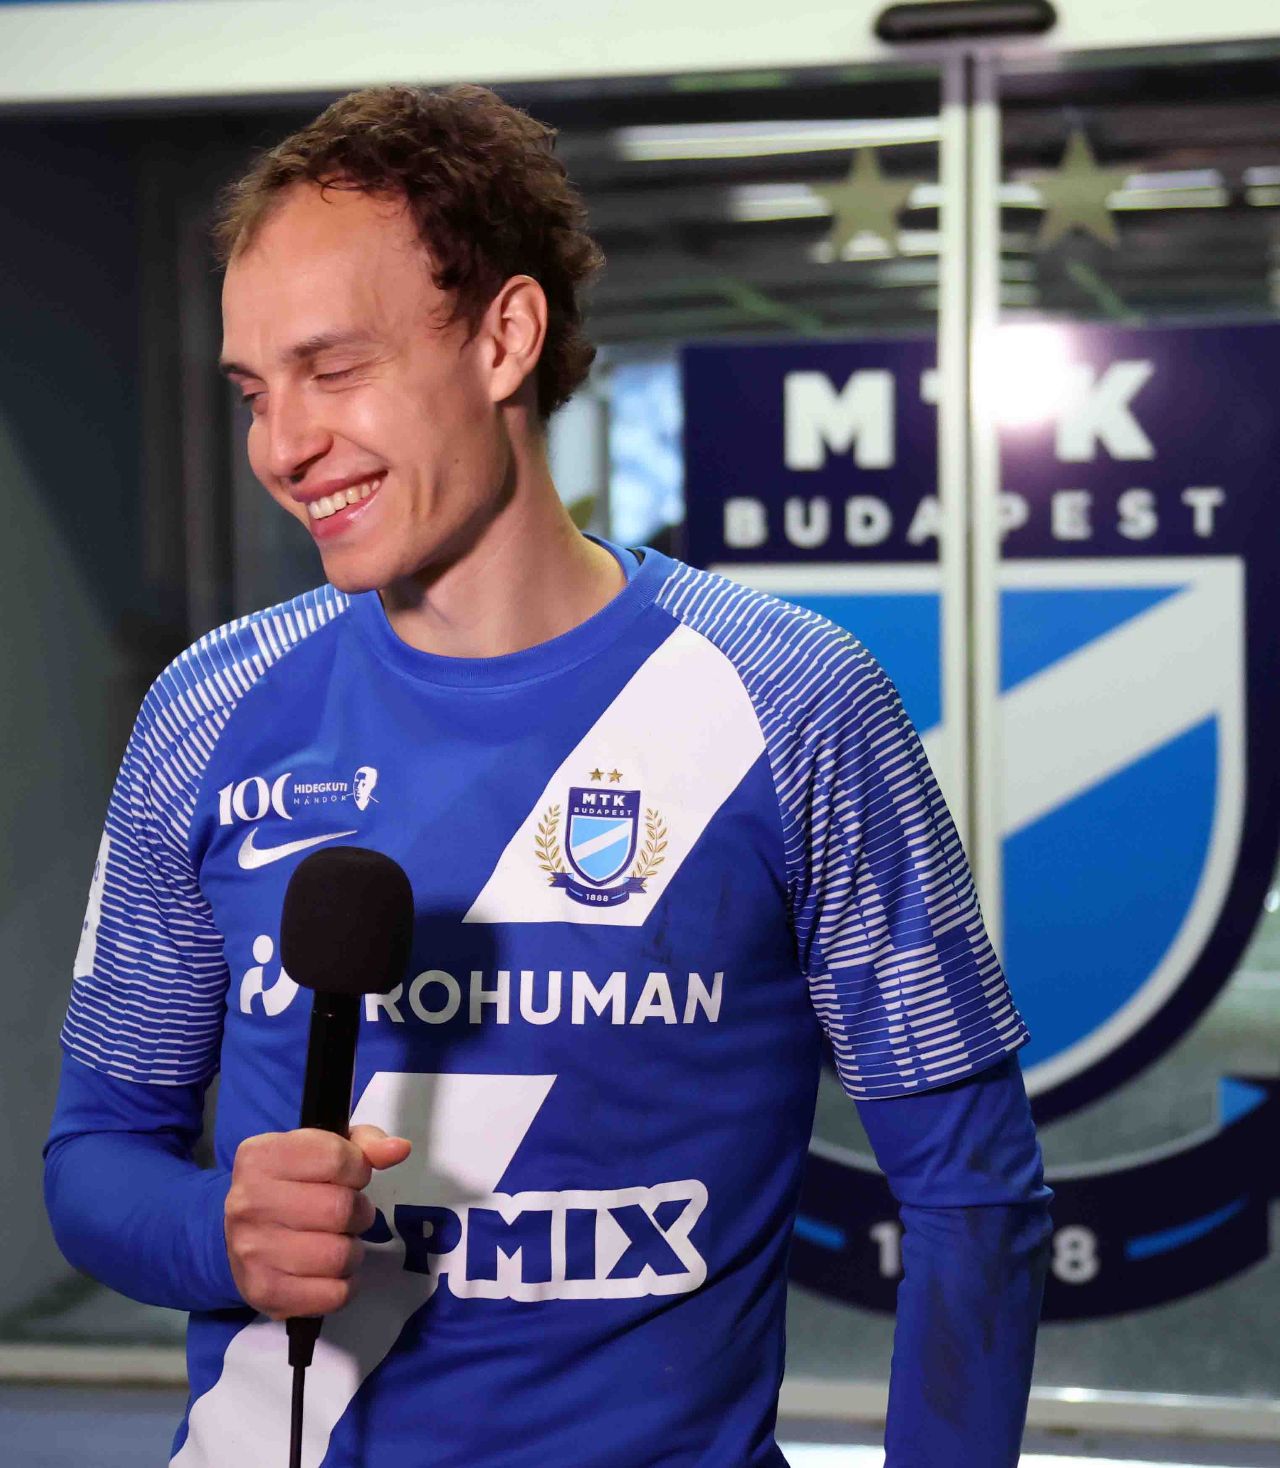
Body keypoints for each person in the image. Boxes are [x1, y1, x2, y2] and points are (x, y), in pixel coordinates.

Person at [44, 84, 1052, 1467]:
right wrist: (214, 1230)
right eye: (254, 392)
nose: (281, 447)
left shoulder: (793, 699)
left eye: (334, 370)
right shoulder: (209, 711)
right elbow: (96, 1160)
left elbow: (974, 1193)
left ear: (505, 337)